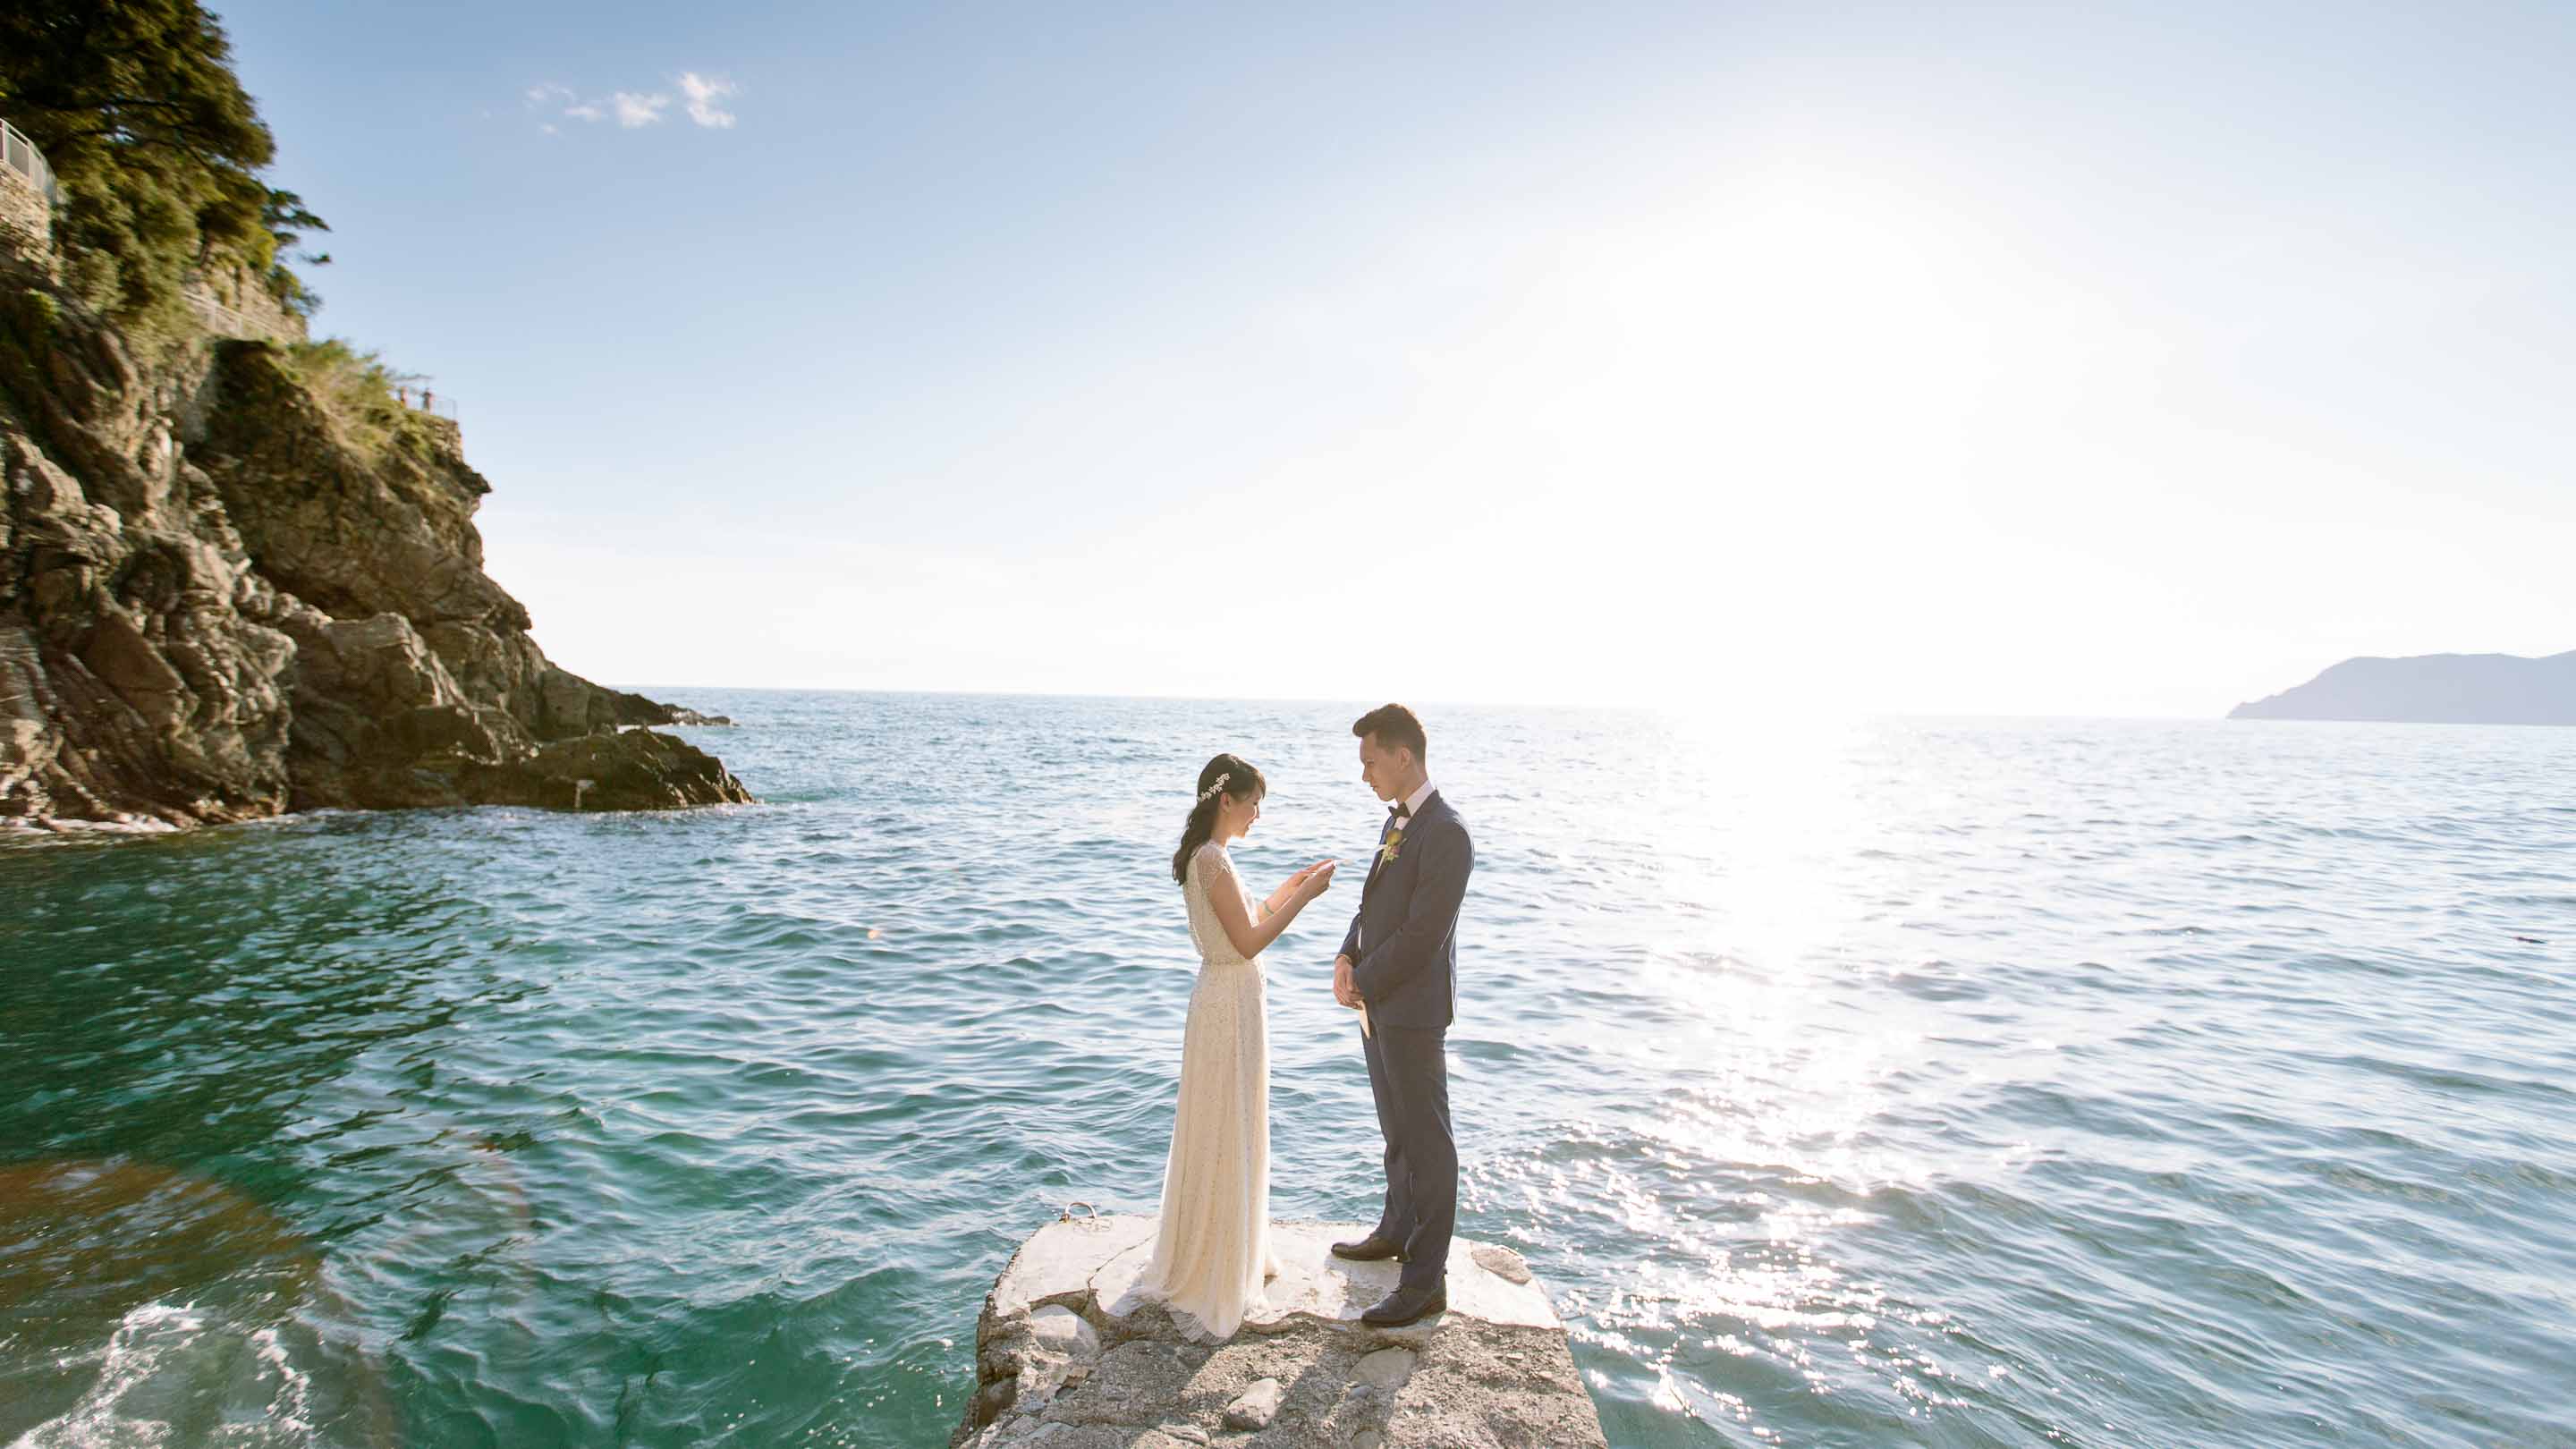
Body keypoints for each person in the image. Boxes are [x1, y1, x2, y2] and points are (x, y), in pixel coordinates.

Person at [1140, 754, 1338, 1338]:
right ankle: (1218, 1262)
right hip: (1228, 1002)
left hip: (1225, 999)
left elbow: (1247, 920)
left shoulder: (1211, 858)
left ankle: (1229, 1245)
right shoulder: (1212, 859)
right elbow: (1249, 942)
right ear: (1226, 800)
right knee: (1228, 1121)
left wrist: (1289, 888)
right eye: (1253, 804)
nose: (1257, 815)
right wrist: (1307, 900)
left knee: (1227, 1120)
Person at [1329, 704, 1473, 1327]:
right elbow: (1372, 907)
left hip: (1412, 1011)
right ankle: (1395, 1229)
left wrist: (1364, 978)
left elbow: (1422, 937)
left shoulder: (1447, 833)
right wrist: (1346, 955)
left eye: (1370, 762)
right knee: (1397, 1130)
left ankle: (1424, 1282)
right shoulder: (1397, 823)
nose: (1365, 775)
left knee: (1428, 1143)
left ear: (1403, 755)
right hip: (1378, 1004)